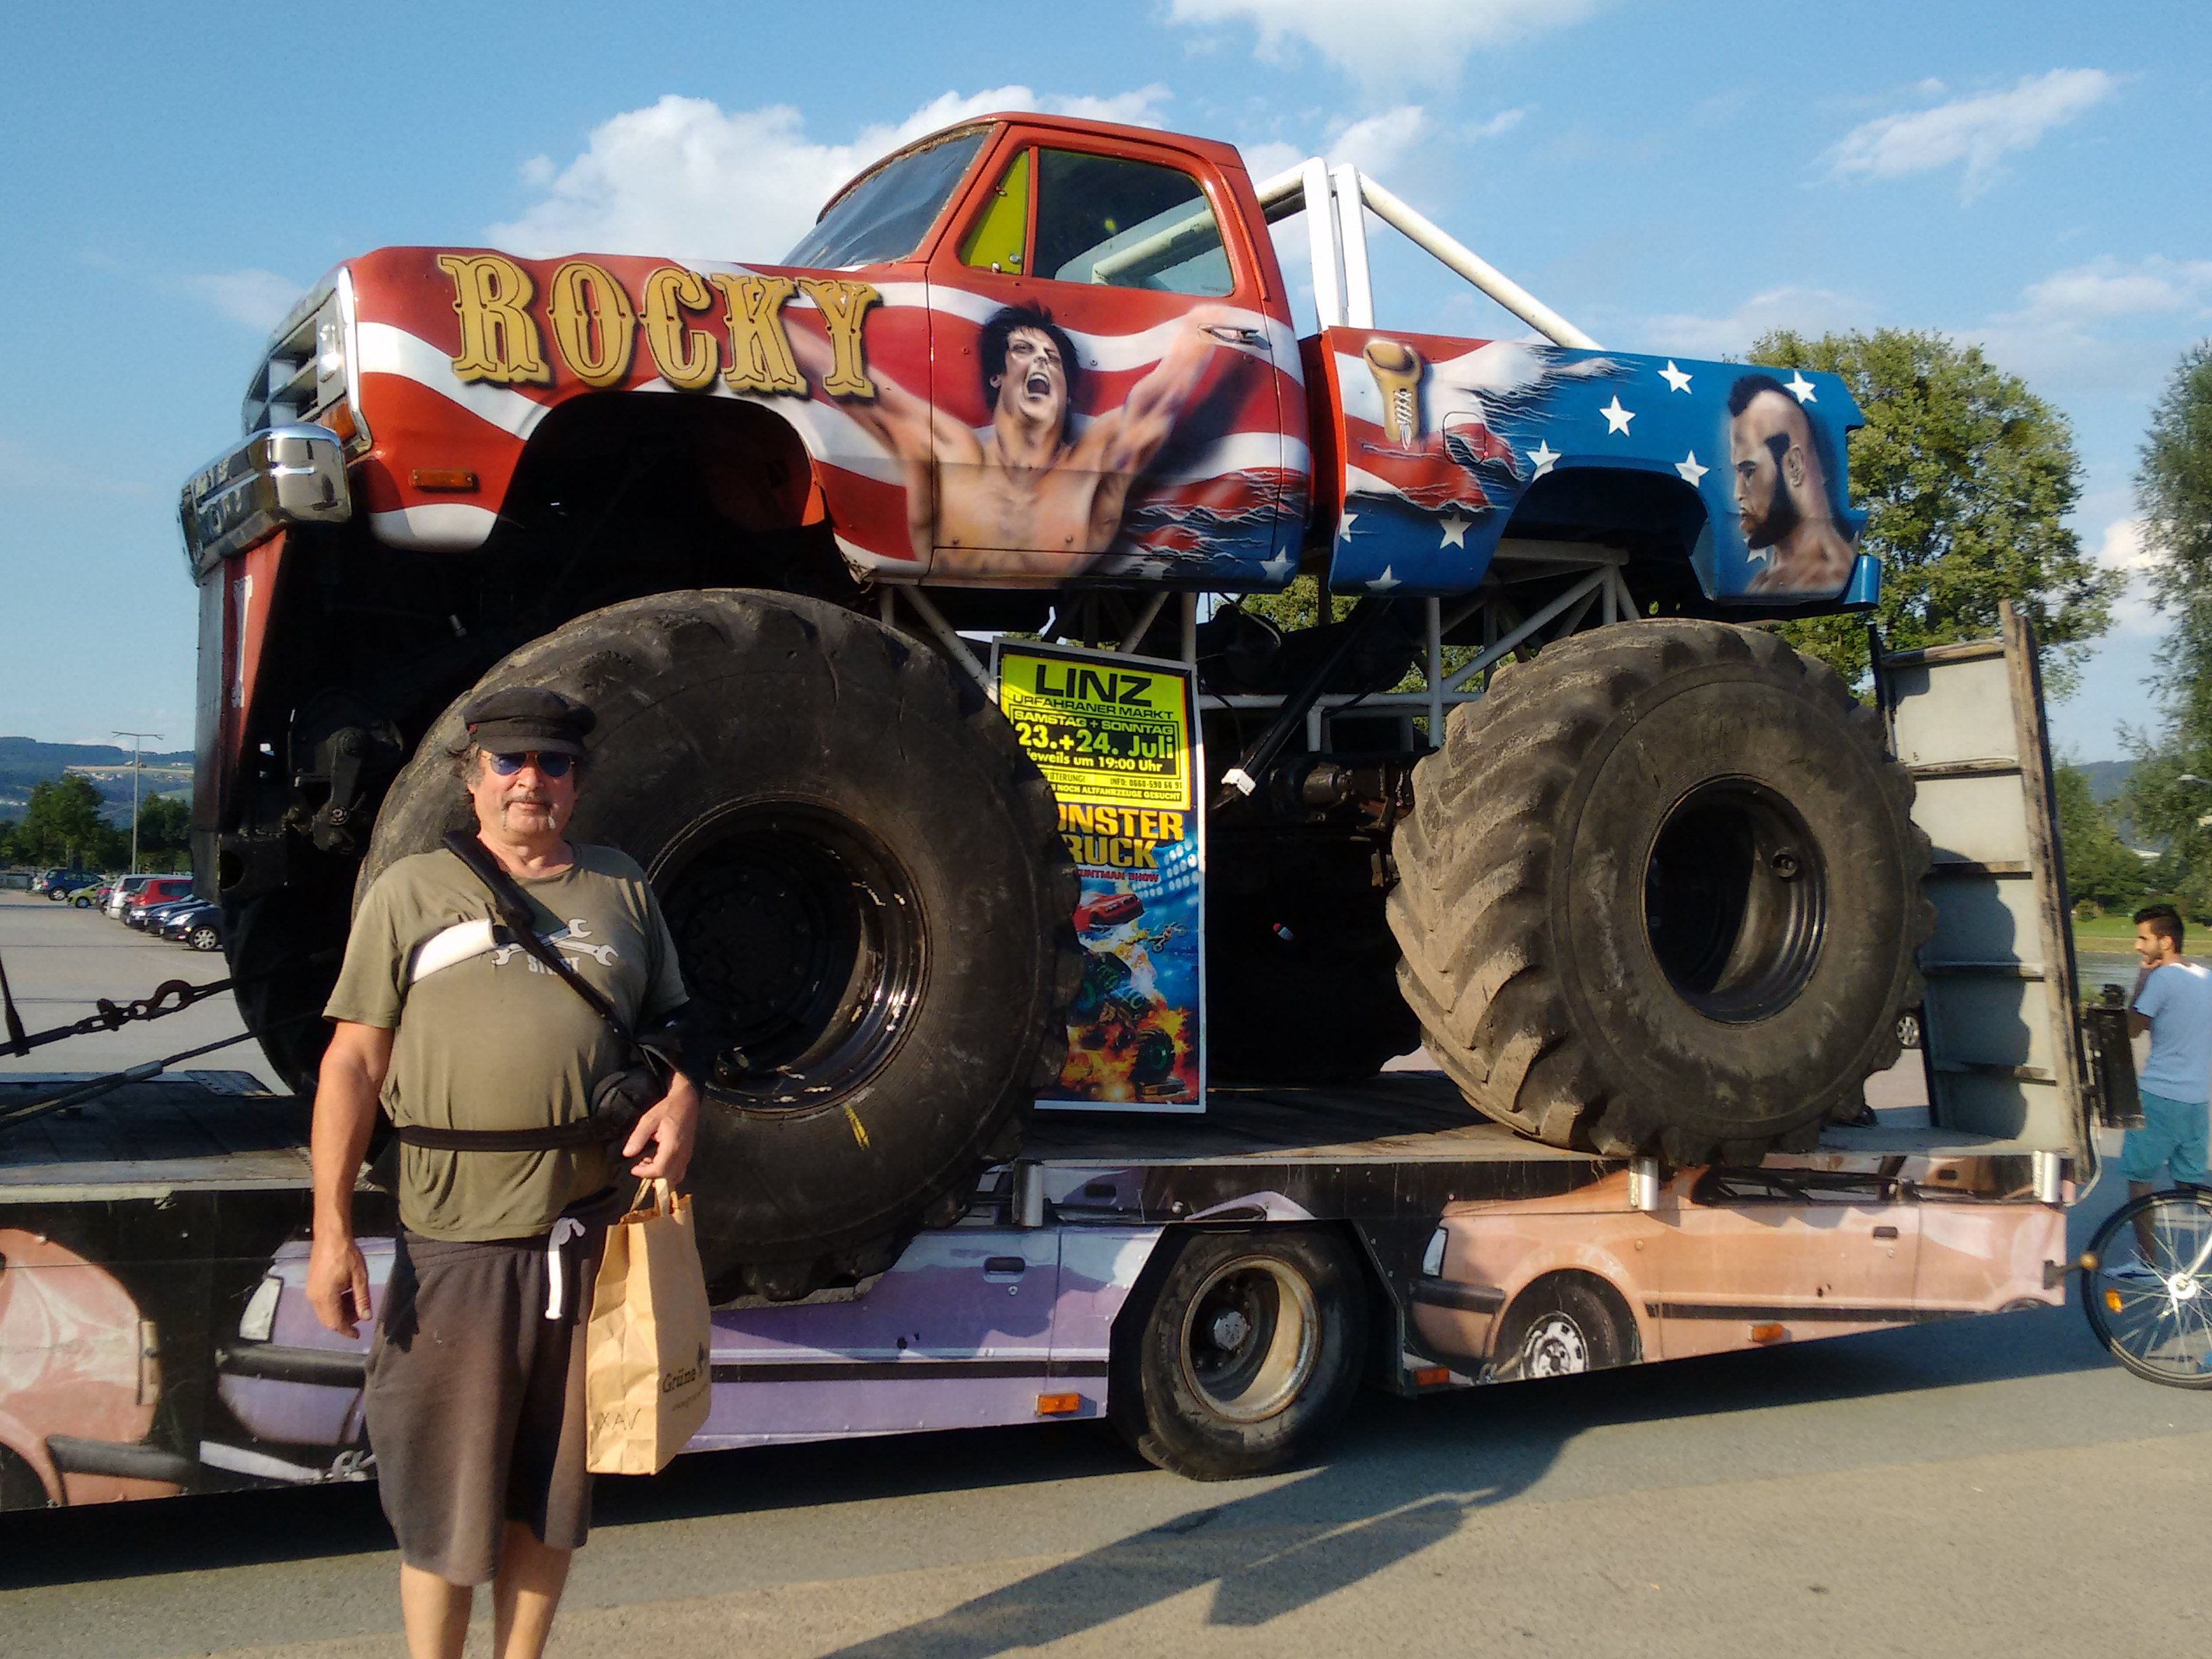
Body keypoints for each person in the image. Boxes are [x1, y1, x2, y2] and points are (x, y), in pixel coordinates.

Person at [306, 687, 700, 1659]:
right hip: (457, 1239)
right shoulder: (412, 889)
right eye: (511, 762)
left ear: (580, 781)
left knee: (553, 1493)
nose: (533, 780)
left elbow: (677, 1026)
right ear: (471, 778)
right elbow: (353, 1062)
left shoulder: (622, 888)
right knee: (445, 1493)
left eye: (554, 763)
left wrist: (685, 1099)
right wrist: (329, 1232)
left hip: (587, 1240)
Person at [794, 298, 1253, 573]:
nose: (1041, 363)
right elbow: (848, 380)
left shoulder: (1097, 463)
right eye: (1023, 351)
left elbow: (1163, 395)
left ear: (1069, 392)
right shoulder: (946, 451)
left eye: (1053, 358)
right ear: (997, 376)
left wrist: (1201, 325)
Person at [2120, 903, 2212, 1270]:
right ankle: (2186, 1259)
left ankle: (2148, 1263)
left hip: (2159, 1095)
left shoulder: (2160, 980)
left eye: (2144, 938)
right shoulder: (2206, 978)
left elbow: (2131, 1029)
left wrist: (2140, 983)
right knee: (2188, 1185)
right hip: (2197, 1099)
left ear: (2167, 941)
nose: (2138, 947)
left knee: (2138, 1178)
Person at [1726, 373, 1857, 596]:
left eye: (1749, 472)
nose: (1737, 494)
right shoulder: (1765, 583)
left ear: (1794, 466)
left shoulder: (1828, 578)